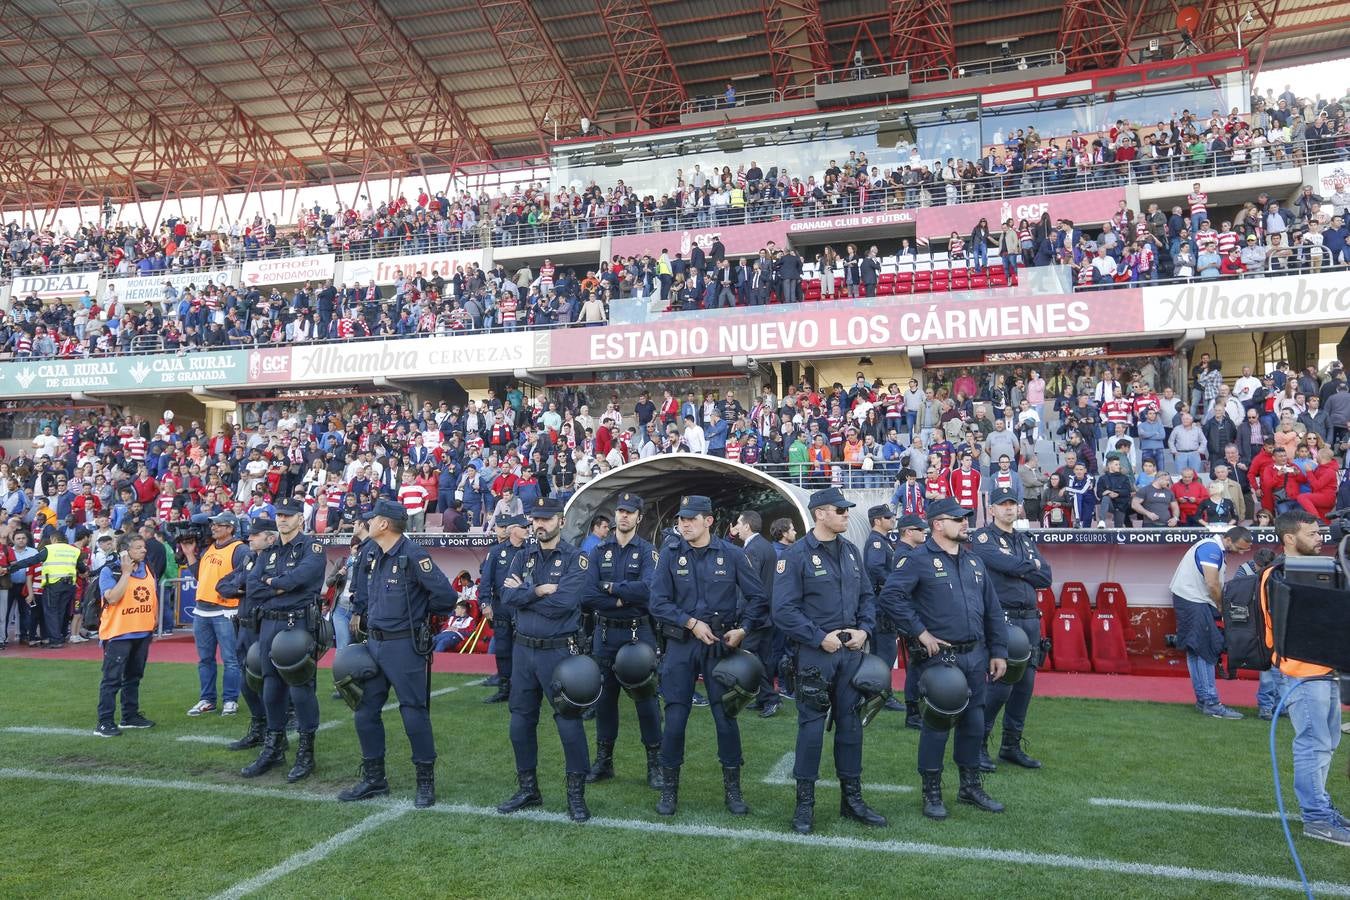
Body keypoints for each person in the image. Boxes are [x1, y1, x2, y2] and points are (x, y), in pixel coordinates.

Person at [879, 497, 1008, 820]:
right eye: (958, 519)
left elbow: (992, 610)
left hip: (975, 656)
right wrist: (919, 632)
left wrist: (998, 651)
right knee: (937, 726)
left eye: (966, 518)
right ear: (938, 524)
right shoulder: (917, 559)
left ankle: (969, 786)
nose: (965, 523)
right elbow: (891, 596)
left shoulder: (974, 561)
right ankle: (932, 792)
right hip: (940, 660)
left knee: (973, 724)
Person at [772, 487, 886, 834]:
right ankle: (804, 804)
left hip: (851, 653)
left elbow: (867, 596)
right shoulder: (795, 555)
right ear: (819, 513)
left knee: (851, 727)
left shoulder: (850, 551)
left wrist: (865, 629)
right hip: (815, 654)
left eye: (846, 509)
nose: (846, 514)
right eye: (840, 510)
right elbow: (783, 610)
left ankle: (852, 800)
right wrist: (818, 636)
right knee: (811, 729)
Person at [649, 494, 769, 817]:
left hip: (719, 646)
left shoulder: (732, 554)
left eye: (691, 518)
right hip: (681, 645)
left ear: (709, 521)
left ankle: (733, 790)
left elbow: (759, 598)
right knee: (675, 719)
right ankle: (669, 791)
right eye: (681, 518)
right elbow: (657, 602)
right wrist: (690, 622)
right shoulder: (670, 554)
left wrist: (743, 629)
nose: (684, 524)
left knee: (725, 719)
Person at [341, 498, 458, 808]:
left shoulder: (414, 555)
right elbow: (365, 593)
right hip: (375, 644)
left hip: (404, 646)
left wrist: (420, 617)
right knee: (365, 710)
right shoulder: (373, 552)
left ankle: (425, 782)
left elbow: (446, 597)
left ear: (384, 524)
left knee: (413, 712)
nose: (367, 522)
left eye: (372, 518)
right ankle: (374, 779)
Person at [496, 496, 593, 823]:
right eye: (536, 519)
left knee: (568, 722)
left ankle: (576, 795)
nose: (540, 524)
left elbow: (564, 604)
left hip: (559, 652)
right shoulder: (522, 556)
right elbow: (507, 597)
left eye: (547, 519)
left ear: (561, 522)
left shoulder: (576, 559)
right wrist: (538, 591)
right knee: (520, 721)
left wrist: (525, 594)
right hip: (523, 651)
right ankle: (528, 789)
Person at [1260, 510, 1349, 845]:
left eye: (1319, 533)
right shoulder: (1279, 575)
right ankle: (1316, 817)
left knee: (1327, 743)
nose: (1319, 539)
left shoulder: (1318, 570)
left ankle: (1320, 806)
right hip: (1300, 672)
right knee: (1313, 743)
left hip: (1324, 669)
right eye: (1311, 534)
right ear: (1289, 538)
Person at [239, 497, 326, 782]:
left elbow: (298, 580)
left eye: (288, 515)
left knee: (300, 688)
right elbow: (252, 586)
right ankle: (274, 747)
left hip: (297, 623)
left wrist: (274, 583)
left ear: (300, 518)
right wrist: (279, 586)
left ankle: (306, 752)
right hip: (269, 623)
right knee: (271, 687)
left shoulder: (312, 548)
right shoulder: (269, 550)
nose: (283, 519)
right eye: (279, 515)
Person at [581, 492, 663, 788]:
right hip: (605, 634)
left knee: (646, 700)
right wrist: (622, 597)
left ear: (639, 517)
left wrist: (610, 588)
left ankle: (655, 765)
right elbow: (586, 595)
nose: (624, 516)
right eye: (620, 511)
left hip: (637, 633)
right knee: (604, 701)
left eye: (630, 512)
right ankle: (604, 762)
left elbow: (649, 591)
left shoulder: (648, 552)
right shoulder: (598, 551)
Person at [972, 487, 1053, 773]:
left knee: (1024, 687)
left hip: (1030, 620)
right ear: (992, 509)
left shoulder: (1025, 539)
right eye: (1002, 504)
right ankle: (977, 744)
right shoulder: (983, 538)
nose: (1008, 508)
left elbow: (1046, 577)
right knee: (1000, 686)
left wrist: (1020, 568)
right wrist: (1029, 567)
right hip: (1003, 620)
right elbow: (998, 562)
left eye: (1012, 503)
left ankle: (1010, 745)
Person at [1168, 526, 1253, 719]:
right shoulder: (1212, 549)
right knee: (1207, 650)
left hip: (1189, 599)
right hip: (1194, 601)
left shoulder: (1211, 547)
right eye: (1239, 548)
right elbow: (1213, 583)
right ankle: (1212, 703)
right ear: (1228, 540)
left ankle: (1203, 700)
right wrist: (1222, 607)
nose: (1241, 553)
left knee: (1195, 651)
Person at [215, 517, 279, 751]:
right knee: (246, 681)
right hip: (244, 626)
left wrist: (246, 588)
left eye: (255, 534)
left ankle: (274, 731)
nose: (249, 538)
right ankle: (258, 727)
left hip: (264, 626)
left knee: (268, 680)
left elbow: (268, 588)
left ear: (270, 538)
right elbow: (222, 585)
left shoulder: (276, 559)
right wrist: (241, 589)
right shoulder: (249, 558)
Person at [94, 534, 158, 737]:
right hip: (118, 633)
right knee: (111, 679)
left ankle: (130, 716)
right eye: (138, 547)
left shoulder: (148, 568)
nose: (143, 550)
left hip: (142, 632)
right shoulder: (109, 571)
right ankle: (104, 722)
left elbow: (153, 597)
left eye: (143, 547)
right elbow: (112, 598)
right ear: (125, 550)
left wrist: (153, 623)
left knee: (133, 677)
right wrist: (126, 573)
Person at [188, 512, 249, 717]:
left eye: (218, 525)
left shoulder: (240, 549)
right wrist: (189, 555)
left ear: (230, 528)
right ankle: (207, 699)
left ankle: (230, 700)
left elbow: (245, 578)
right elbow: (201, 576)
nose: (213, 528)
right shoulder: (210, 548)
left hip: (225, 610)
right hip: (202, 610)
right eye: (213, 525)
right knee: (205, 659)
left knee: (230, 659)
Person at [732, 509, 782, 718]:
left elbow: (750, 586)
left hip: (756, 615)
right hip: (767, 612)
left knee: (749, 657)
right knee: (763, 658)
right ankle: (763, 698)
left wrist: (743, 614)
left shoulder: (752, 549)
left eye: (738, 523)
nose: (736, 527)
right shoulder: (766, 546)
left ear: (747, 526)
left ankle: (770, 698)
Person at [479, 514, 528, 704]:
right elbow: (486, 580)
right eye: (523, 527)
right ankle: (504, 688)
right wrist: (485, 603)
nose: (527, 529)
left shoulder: (531, 551)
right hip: (501, 605)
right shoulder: (497, 551)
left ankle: (522, 689)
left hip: (522, 606)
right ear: (513, 529)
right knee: (502, 648)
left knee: (523, 649)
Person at [862, 504, 903, 712]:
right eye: (888, 517)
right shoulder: (877, 542)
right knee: (886, 651)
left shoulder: (882, 541)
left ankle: (876, 693)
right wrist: (895, 584)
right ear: (877, 521)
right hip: (881, 603)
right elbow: (875, 568)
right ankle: (883, 696)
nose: (892, 519)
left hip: (879, 603)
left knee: (882, 652)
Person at [891, 514, 929, 728]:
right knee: (917, 667)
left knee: (920, 667)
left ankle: (918, 712)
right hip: (913, 619)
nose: (924, 533)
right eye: (920, 529)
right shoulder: (905, 556)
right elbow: (901, 592)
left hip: (915, 617)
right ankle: (913, 714)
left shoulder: (911, 553)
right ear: (907, 532)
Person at [37, 529, 86, 649]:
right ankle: (58, 637)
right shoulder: (73, 551)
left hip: (53, 584)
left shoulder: (50, 550)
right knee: (60, 612)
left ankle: (55, 640)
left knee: (51, 612)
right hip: (69, 585)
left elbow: (32, 560)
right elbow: (82, 568)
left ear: (54, 539)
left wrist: (12, 567)